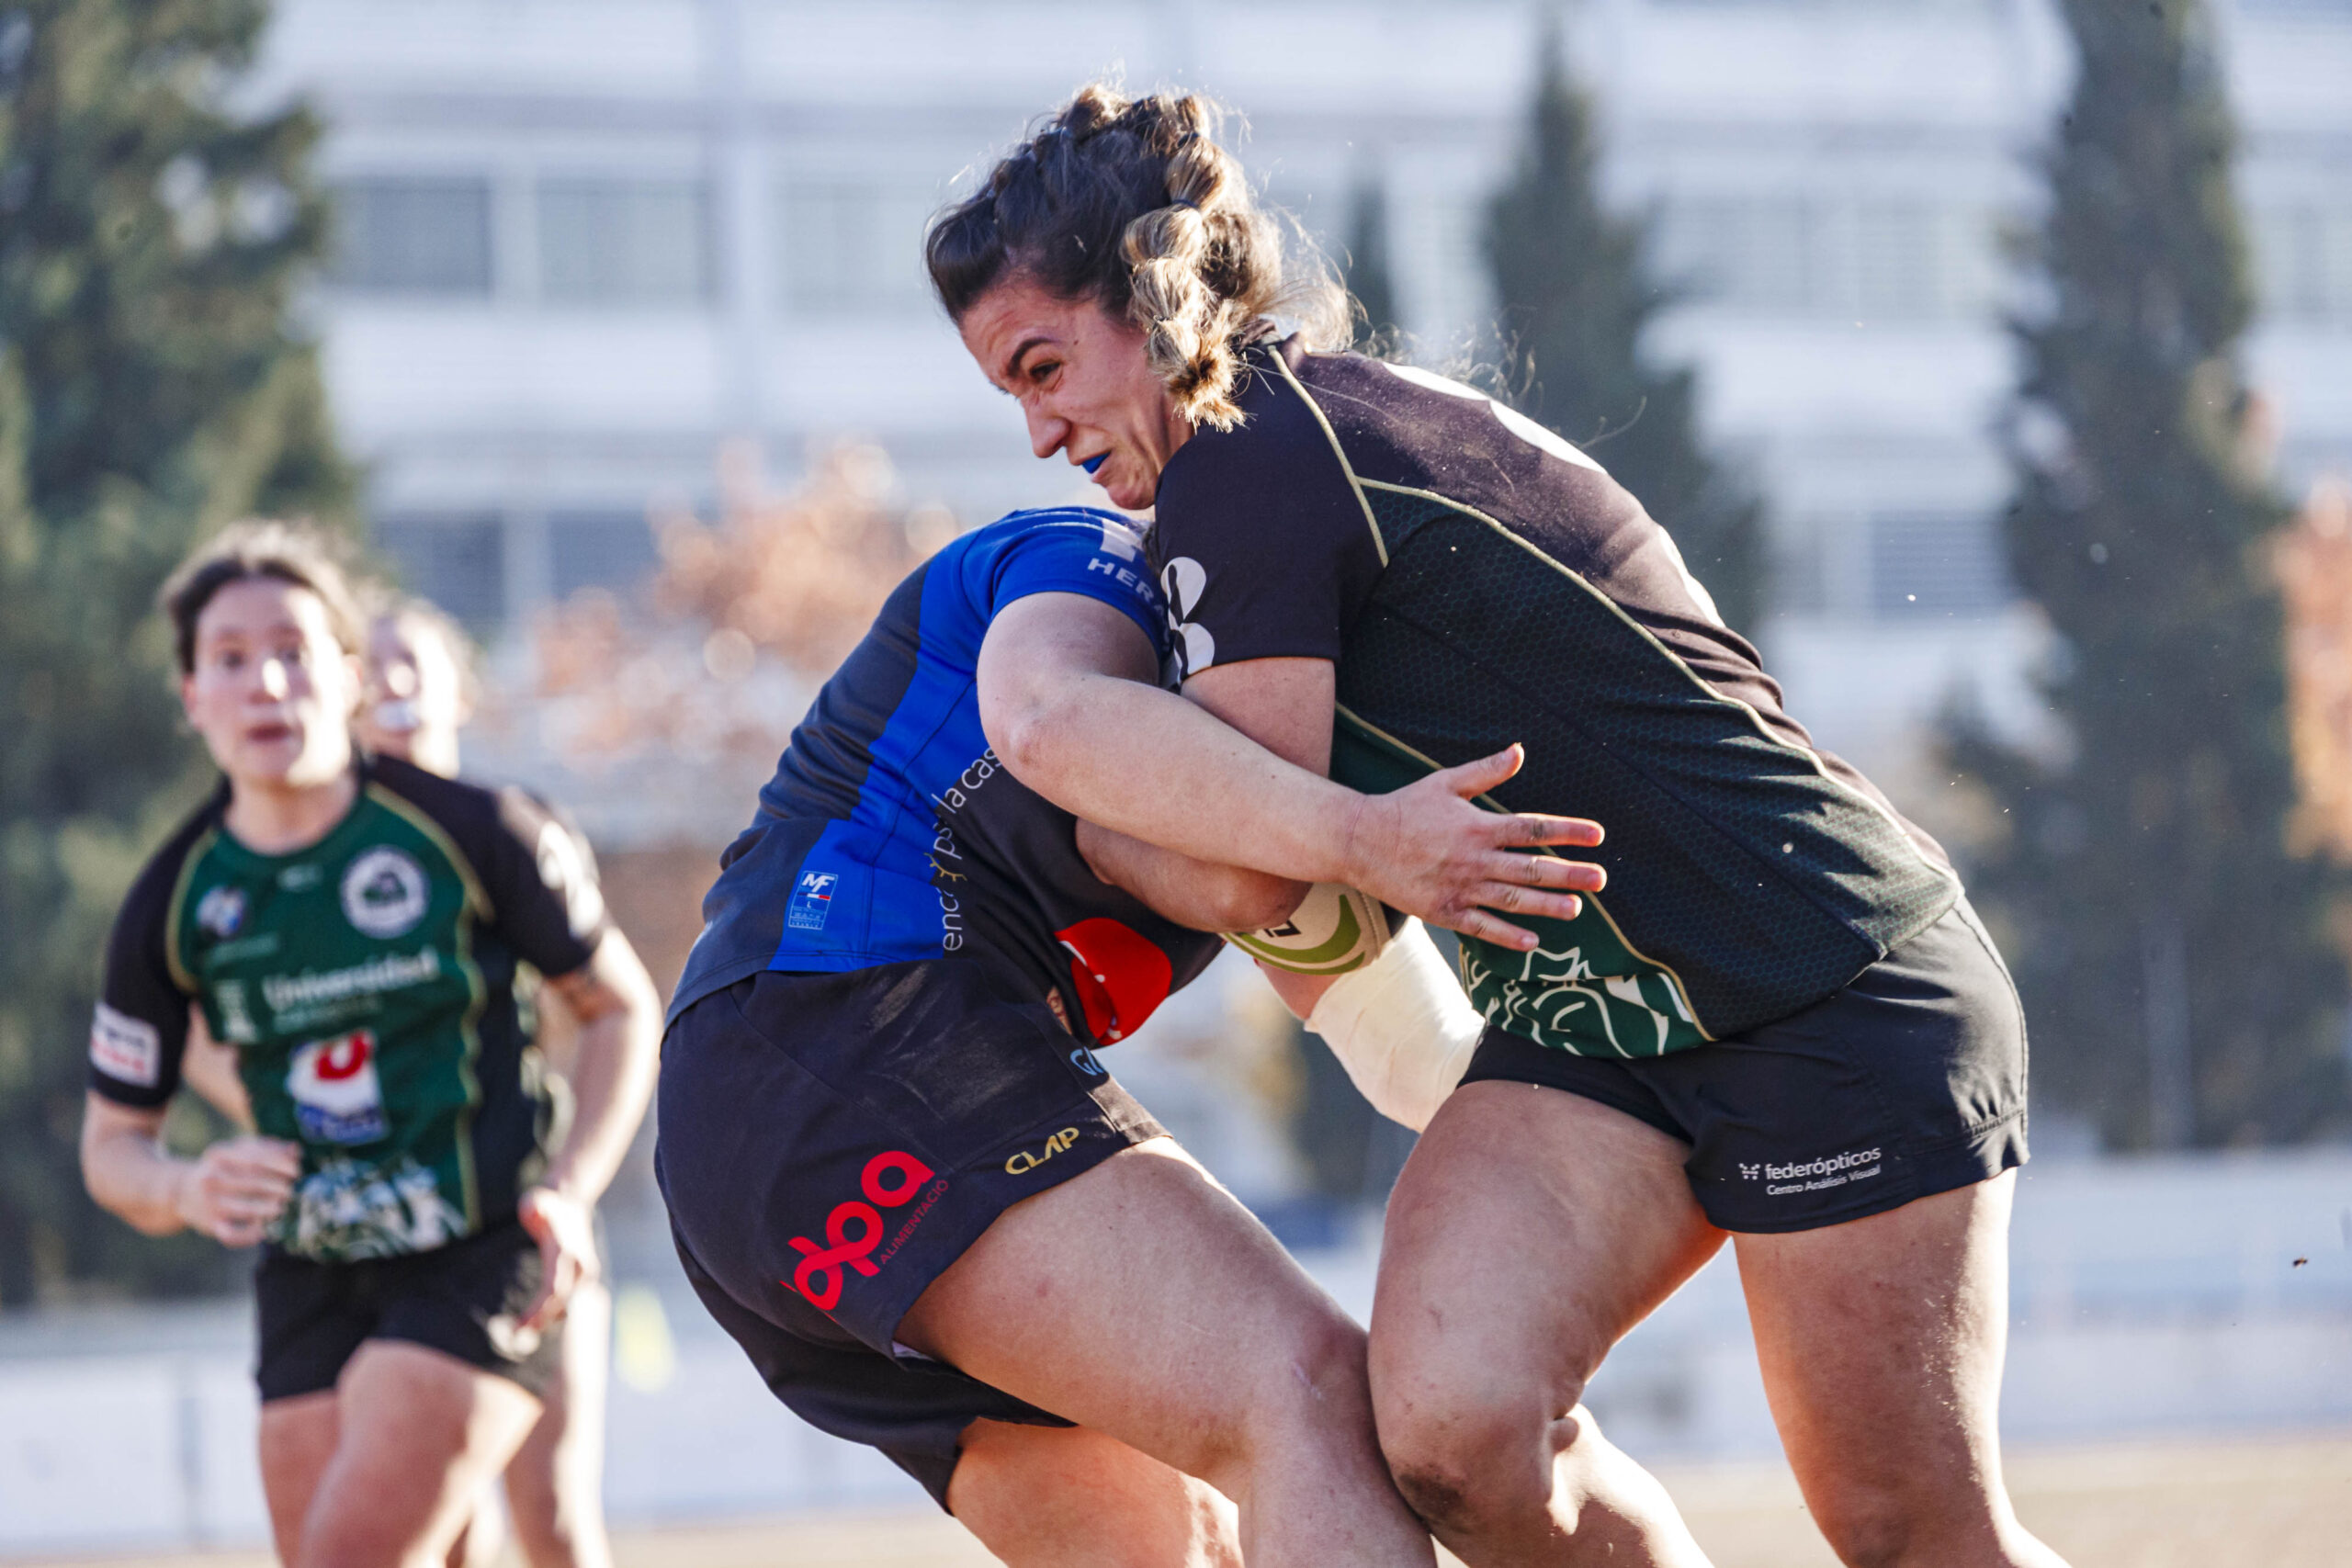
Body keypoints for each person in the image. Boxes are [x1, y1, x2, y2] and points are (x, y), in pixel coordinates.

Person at [923, 85, 2070, 1568]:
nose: (1034, 434)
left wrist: (1068, 793)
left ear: (1147, 305)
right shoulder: (1293, 427)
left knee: (1913, 1534)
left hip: (1825, 985)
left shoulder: (1252, 457)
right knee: (1457, 1438)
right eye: (1005, 394)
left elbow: (1245, 860)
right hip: (1600, 1027)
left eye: (1043, 366)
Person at [656, 502, 1601, 1566]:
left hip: (759, 1118)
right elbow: (1112, 788)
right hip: (844, 1041)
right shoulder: (1100, 565)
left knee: (1195, 1541)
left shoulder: (1279, 728)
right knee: (1305, 1401)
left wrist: (1640, 1143)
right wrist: (1368, 839)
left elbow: (1412, 1053)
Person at [80, 522, 662, 1568]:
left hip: (483, 1244)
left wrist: (572, 1188)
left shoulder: (479, 833)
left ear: (347, 681)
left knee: (503, 1535)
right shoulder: (172, 900)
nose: (264, 682)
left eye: (293, 653)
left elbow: (621, 1006)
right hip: (312, 1270)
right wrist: (185, 1186)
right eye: (229, 660)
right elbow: (112, 1146)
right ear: (191, 698)